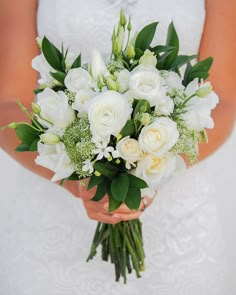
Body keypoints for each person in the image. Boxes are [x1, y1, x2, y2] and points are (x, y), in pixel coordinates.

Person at [0, 0, 235, 294]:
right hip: (53, 219)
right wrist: (74, 181)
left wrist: (154, 167)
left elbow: (223, 99)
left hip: (178, 227)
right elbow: (9, 103)